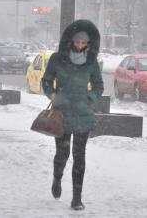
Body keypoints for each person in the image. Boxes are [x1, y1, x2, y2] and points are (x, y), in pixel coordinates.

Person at [41, 20, 104, 211]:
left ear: (89, 43)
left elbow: (99, 86)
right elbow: (46, 80)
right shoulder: (56, 59)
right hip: (61, 114)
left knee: (79, 156)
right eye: (77, 42)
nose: (79, 46)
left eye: (83, 43)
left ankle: (77, 198)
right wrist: (53, 94)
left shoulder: (91, 63)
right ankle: (57, 178)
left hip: (82, 114)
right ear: (69, 41)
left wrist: (89, 98)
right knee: (62, 153)